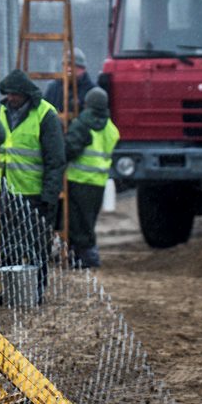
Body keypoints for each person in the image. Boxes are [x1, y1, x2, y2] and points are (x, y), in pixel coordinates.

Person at [0, 70, 65, 305]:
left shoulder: (45, 115)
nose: (11, 98)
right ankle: (11, 294)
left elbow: (56, 160)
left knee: (38, 246)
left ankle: (37, 291)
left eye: (15, 94)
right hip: (9, 193)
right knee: (9, 246)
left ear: (26, 94)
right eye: (8, 94)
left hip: (36, 195)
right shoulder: (2, 112)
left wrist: (49, 196)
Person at [63, 88, 120, 269]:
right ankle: (87, 255)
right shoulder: (111, 129)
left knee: (77, 222)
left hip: (79, 180)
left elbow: (69, 149)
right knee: (89, 221)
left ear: (87, 104)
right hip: (98, 182)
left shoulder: (83, 124)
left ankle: (85, 259)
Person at [42, 48, 95, 114]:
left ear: (83, 69)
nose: (69, 69)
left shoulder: (92, 91)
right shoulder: (53, 89)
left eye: (73, 65)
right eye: (66, 65)